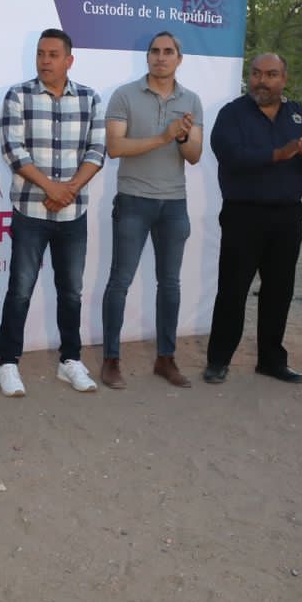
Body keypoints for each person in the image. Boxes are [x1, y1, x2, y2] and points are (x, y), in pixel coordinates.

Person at [0, 28, 107, 397]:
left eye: (53, 55)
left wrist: (68, 190)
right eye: (41, 54)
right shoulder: (18, 95)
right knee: (20, 289)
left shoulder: (90, 98)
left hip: (73, 214)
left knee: (71, 291)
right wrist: (52, 188)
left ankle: (70, 360)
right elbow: (13, 150)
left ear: (69, 60)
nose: (45, 61)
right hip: (31, 211)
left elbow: (97, 151)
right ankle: (8, 363)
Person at [202, 53, 302, 384]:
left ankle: (271, 361)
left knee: (279, 291)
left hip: (287, 216)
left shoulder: (300, 115)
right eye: (257, 74)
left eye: (271, 74)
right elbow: (230, 155)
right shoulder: (232, 113)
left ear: (284, 79)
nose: (262, 81)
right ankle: (218, 360)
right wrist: (279, 154)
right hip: (243, 215)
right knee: (233, 290)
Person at [99, 31, 204, 388]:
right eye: (155, 51)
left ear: (179, 59)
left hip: (174, 204)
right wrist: (163, 136)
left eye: (168, 51)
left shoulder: (191, 100)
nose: (161, 57)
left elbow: (194, 156)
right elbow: (115, 148)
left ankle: (166, 359)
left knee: (170, 283)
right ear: (147, 57)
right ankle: (111, 359)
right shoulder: (124, 95)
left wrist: (182, 136)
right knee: (120, 282)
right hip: (133, 200)